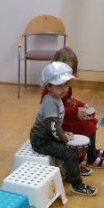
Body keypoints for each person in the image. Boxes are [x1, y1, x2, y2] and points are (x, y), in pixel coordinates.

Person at [30, 61, 98, 196]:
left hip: (49, 136)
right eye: (59, 85)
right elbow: (52, 126)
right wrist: (63, 137)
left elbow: (55, 125)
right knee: (68, 152)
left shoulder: (56, 97)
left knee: (70, 148)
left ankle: (72, 169)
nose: (64, 89)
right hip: (41, 141)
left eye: (66, 84)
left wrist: (63, 133)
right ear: (49, 86)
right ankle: (76, 184)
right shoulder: (49, 102)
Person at [51, 46, 104, 168]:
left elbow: (68, 100)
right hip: (60, 124)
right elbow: (56, 109)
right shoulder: (51, 87)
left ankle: (92, 150)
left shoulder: (64, 84)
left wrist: (81, 105)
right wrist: (76, 112)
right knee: (88, 127)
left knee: (91, 120)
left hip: (66, 117)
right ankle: (92, 159)